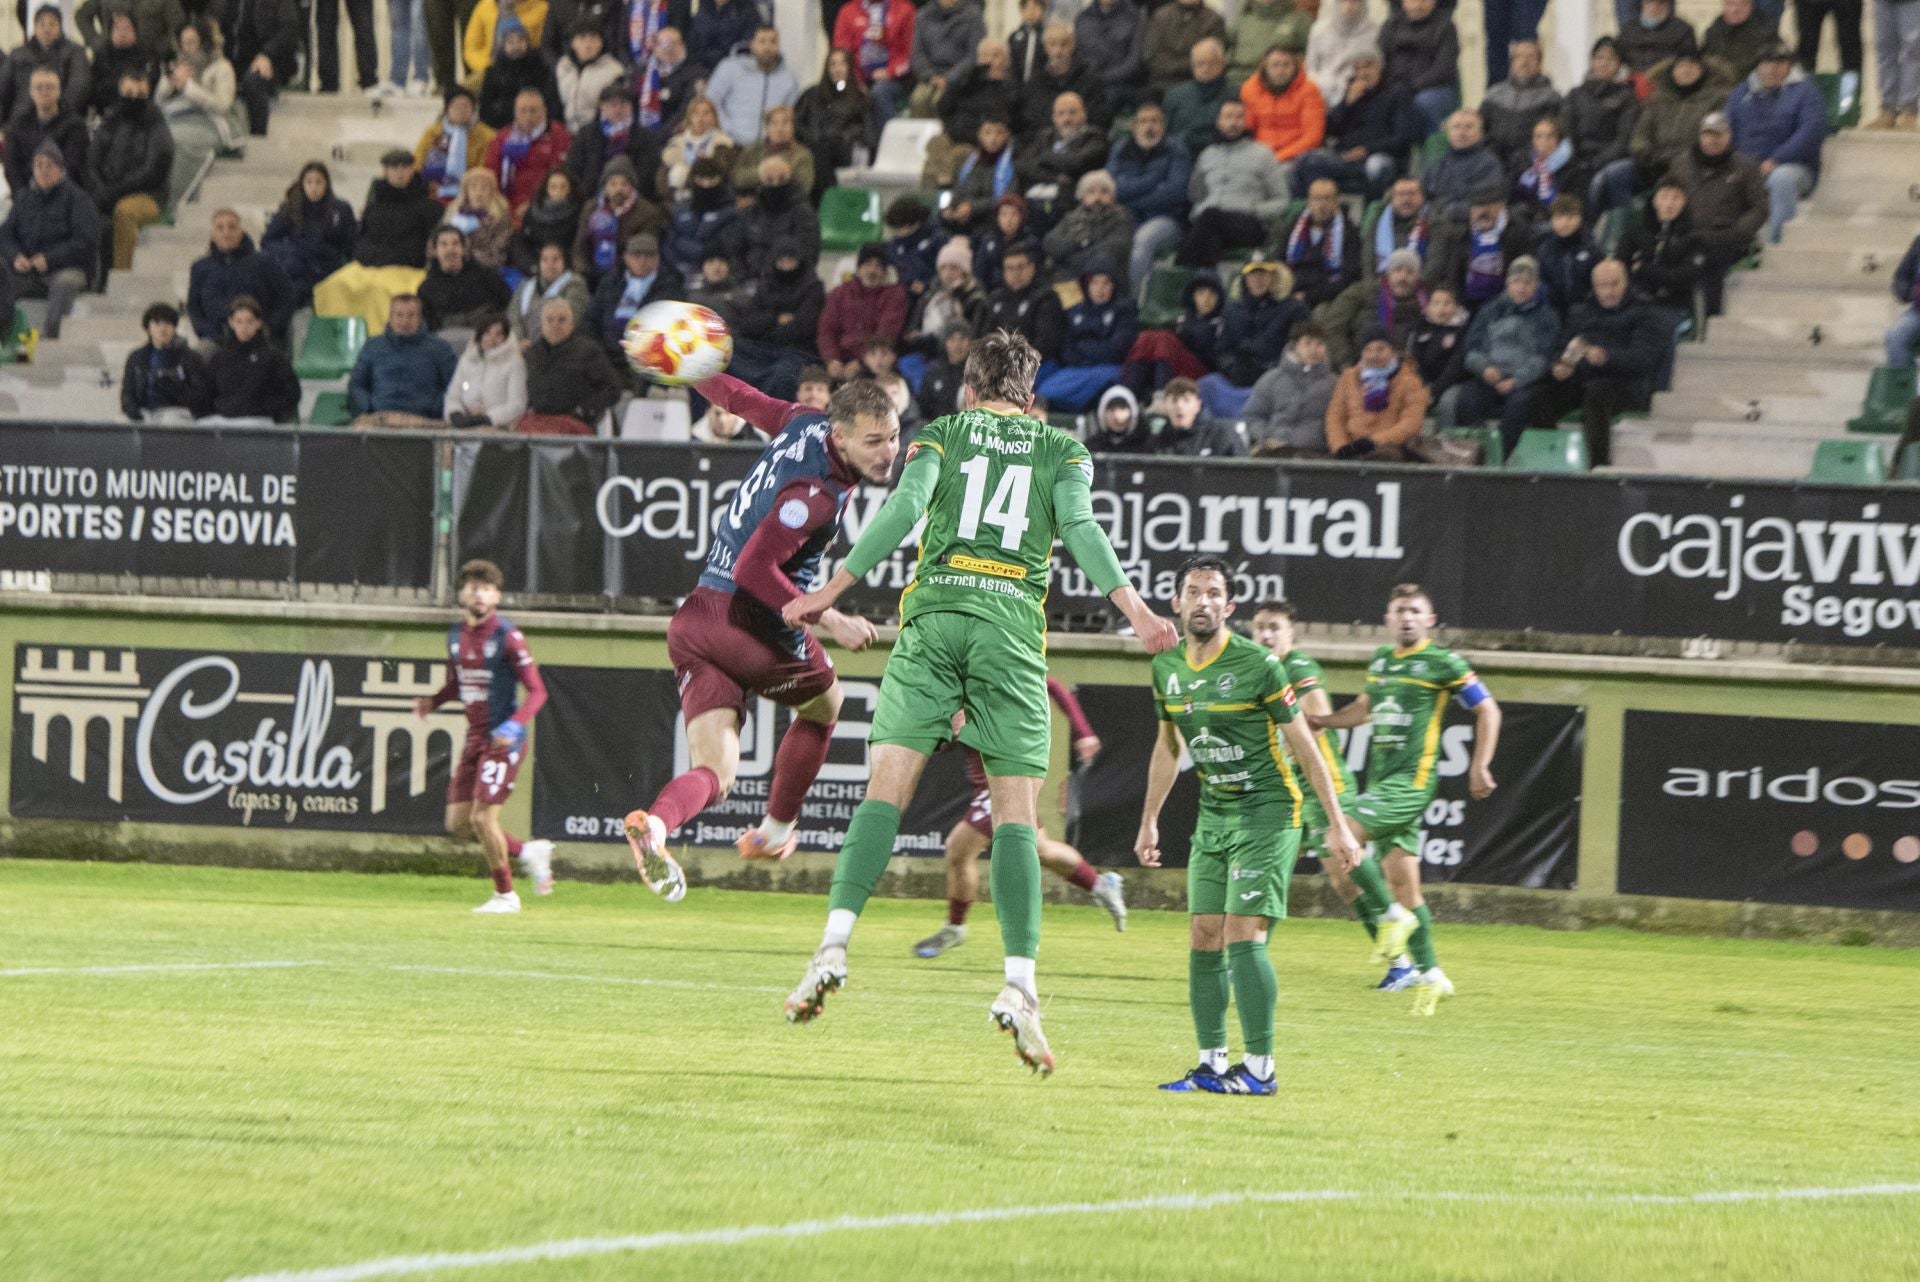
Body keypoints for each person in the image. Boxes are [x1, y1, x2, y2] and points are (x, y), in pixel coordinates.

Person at [775, 330, 1177, 1073]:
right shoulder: (1063, 451)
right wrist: (1139, 612)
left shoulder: (945, 434)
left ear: (968, 389)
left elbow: (903, 510)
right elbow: (1083, 531)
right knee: (1018, 819)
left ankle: (832, 944)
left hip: (933, 623)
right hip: (1010, 635)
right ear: (1033, 397)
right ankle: (1019, 988)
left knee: (883, 797)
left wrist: (833, 587)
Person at [620, 376, 899, 899]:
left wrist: (693, 366)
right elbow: (753, 568)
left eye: (893, 437)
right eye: (873, 442)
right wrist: (831, 618)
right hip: (744, 622)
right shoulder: (815, 496)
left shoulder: (802, 421)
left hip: (695, 618)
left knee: (717, 773)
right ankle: (775, 832)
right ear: (838, 437)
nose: (888, 453)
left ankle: (655, 828)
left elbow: (739, 400)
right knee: (825, 705)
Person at [1139, 556, 1360, 1095]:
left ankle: (1260, 1069)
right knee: (1202, 934)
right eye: (1193, 591)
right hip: (1214, 813)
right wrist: (1149, 820)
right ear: (1177, 603)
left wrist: (1338, 824)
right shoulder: (1166, 668)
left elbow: (1307, 746)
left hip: (1268, 812)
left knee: (1243, 934)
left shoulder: (1260, 664)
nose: (1204, 601)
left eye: (1215, 592)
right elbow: (1168, 748)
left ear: (1229, 607)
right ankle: (1211, 1062)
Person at [1312, 583, 1499, 1014]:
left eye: (1416, 610)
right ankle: (1432, 975)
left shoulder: (1442, 662)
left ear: (1430, 620)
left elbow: (1488, 708)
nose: (1408, 617)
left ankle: (1391, 921)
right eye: (1400, 610)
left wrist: (1479, 764)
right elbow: (1364, 709)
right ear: (1388, 619)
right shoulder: (1381, 661)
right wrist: (1321, 720)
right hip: (1382, 783)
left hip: (1410, 785)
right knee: (1405, 886)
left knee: (1340, 837)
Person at [1249, 600, 1413, 989]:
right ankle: (1401, 964)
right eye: (1260, 627)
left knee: (1282, 868)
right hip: (1296, 789)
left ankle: (1393, 916)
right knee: (1342, 882)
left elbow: (1315, 723)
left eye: (1275, 627)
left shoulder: (1299, 668)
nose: (1267, 634)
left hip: (1325, 786)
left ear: (1291, 634)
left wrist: (1283, 752)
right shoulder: (1261, 670)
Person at [912, 684, 1125, 959]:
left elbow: (1053, 685)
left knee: (959, 848)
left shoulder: (996, 664)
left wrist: (1083, 732)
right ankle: (1099, 884)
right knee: (1040, 848)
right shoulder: (954, 678)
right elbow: (947, 738)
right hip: (987, 783)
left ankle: (956, 927)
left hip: (1004, 777)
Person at [413, 559, 555, 914]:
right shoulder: (455, 635)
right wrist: (435, 700)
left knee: (482, 819)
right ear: (461, 594)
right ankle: (528, 852)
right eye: (473, 587)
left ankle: (506, 895)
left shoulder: (507, 636)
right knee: (458, 823)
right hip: (475, 739)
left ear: (497, 596)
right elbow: (458, 683)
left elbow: (537, 691)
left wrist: (513, 726)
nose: (479, 593)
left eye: (487, 588)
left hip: (503, 741)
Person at [1525, 258, 1663, 465]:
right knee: (1538, 396)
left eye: (1614, 284)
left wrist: (1607, 357)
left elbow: (1644, 359)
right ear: (1594, 286)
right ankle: (1550, 459)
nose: (1608, 292)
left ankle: (1597, 467)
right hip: (1582, 380)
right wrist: (1557, 365)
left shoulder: (1645, 312)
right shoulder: (1580, 311)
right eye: (1602, 285)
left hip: (1625, 386)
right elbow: (1560, 347)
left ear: (1626, 282)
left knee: (1596, 393)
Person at [312, 151, 440, 335]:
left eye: (404, 168)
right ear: (385, 172)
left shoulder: (428, 207)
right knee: (332, 286)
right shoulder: (374, 206)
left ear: (413, 170)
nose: (399, 173)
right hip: (370, 264)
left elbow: (424, 247)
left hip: (409, 268)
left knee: (389, 292)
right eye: (394, 168)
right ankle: (339, 343)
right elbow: (364, 239)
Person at [1447, 255, 1559, 449]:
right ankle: (1475, 453)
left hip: (1524, 383)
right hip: (1489, 377)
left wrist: (1516, 381)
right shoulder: (1489, 311)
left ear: (1535, 286)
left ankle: (1503, 458)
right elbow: (1472, 349)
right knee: (1466, 399)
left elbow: (1543, 358)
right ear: (1508, 283)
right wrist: (1484, 369)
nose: (1521, 288)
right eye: (1517, 282)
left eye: (1527, 283)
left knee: (1520, 405)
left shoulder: (1547, 317)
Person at [1726, 41, 1828, 244]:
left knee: (1781, 179)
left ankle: (1778, 242)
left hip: (1794, 166)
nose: (1772, 69)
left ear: (1789, 66)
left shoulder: (1806, 92)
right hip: (1746, 164)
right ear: (1758, 65)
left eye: (1779, 63)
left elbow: (1811, 132)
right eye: (1767, 63)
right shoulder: (1741, 92)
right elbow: (1727, 128)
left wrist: (1777, 159)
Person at [1670, 111, 1766, 313]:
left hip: (1725, 236)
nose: (1713, 140)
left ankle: (1710, 319)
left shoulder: (1746, 166)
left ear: (1728, 136)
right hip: (1689, 233)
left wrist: (1737, 232)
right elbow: (1669, 196)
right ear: (1700, 135)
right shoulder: (1681, 165)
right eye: (1708, 134)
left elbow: (1760, 207)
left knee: (1711, 264)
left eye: (1719, 134)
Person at [0, 142, 96, 339]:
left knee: (65, 282)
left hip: (67, 268)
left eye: (49, 165)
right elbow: (6, 235)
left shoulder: (78, 199)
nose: (43, 170)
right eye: (38, 165)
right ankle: (7, 339)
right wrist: (16, 256)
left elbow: (85, 242)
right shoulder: (24, 198)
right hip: (29, 270)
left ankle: (50, 341)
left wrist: (50, 259)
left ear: (61, 170)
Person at [1621, 52, 1737, 214]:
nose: (1686, 70)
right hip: (1654, 162)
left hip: (1695, 164)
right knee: (1617, 175)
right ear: (1672, 70)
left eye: (1692, 66)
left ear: (1703, 70)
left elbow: (1715, 137)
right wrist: (1651, 155)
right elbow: (1640, 137)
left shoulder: (1718, 99)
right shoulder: (1657, 98)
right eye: (1681, 66)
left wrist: (1682, 158)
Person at [1177, 100, 1290, 266]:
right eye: (1228, 117)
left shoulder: (1262, 154)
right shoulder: (1207, 154)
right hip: (1210, 224)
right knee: (1210, 237)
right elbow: (1195, 195)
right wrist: (1198, 211)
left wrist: (1254, 210)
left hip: (1247, 223)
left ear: (1246, 121)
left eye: (1239, 117)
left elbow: (1282, 201)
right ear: (1219, 121)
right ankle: (1209, 285)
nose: (1233, 123)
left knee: (1207, 220)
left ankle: (1181, 271)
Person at [1295, 50, 1411, 202]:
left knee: (1376, 166)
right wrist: (1347, 103)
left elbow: (1403, 137)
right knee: (1307, 160)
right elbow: (1331, 129)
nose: (1362, 73)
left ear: (1380, 68)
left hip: (1379, 156)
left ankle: (1369, 219)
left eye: (1368, 67)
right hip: (1344, 157)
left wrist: (1367, 150)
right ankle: (1316, 214)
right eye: (1357, 69)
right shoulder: (1352, 92)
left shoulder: (1397, 93)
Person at [87, 67, 171, 273]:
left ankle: (121, 276)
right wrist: (100, 188)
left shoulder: (157, 125)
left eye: (140, 95)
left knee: (125, 212)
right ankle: (88, 276)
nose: (134, 99)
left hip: (149, 196)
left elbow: (153, 171)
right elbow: (92, 160)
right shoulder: (111, 120)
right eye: (129, 94)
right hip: (109, 190)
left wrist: (117, 190)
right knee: (81, 210)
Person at [157, 18, 244, 203]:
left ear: (204, 42)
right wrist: (171, 83)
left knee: (177, 140)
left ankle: (176, 199)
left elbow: (222, 105)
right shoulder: (177, 66)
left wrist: (189, 88)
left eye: (192, 42)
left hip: (209, 122)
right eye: (183, 43)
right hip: (177, 118)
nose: (187, 47)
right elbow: (158, 101)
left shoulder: (222, 67)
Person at [1109, 102, 1191, 292]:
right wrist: (1152, 182)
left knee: (1142, 243)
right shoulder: (1120, 149)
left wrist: (1132, 198)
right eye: (1143, 121)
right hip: (1125, 217)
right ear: (1134, 126)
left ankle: (1135, 303)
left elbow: (1176, 191)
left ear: (1163, 125)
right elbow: (1112, 188)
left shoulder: (1176, 149)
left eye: (1154, 121)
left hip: (1165, 218)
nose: (1149, 126)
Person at [1037, 259, 1135, 410]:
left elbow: (1118, 347)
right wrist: (1083, 354)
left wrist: (1084, 348)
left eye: (1105, 283)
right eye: (1095, 283)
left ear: (1114, 285)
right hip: (1077, 368)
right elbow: (1067, 348)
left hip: (1110, 368)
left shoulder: (1124, 311)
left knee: (1109, 378)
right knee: (1045, 389)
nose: (1100, 289)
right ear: (1087, 285)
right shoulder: (1075, 311)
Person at [188, 207, 293, 346]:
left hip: (260, 341)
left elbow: (286, 298)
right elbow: (194, 308)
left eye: (232, 227)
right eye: (220, 228)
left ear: (241, 232)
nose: (226, 233)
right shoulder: (200, 268)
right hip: (216, 341)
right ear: (212, 234)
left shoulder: (264, 263)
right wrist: (211, 334)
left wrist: (267, 328)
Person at [349, 294, 460, 421]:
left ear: (420, 317)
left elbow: (454, 385)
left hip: (426, 422)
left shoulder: (440, 349)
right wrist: (369, 407)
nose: (405, 321)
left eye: (411, 315)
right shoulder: (372, 346)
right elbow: (356, 384)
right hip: (379, 420)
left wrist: (435, 409)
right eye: (399, 315)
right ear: (390, 317)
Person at [1324, 326, 1429, 460]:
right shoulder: (1348, 377)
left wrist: (1373, 442)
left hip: (1390, 448)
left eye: (1381, 349)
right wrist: (1340, 447)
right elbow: (1335, 417)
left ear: (1393, 351)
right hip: (1350, 446)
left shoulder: (1410, 381)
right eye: (1368, 349)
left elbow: (1411, 423)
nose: (1373, 355)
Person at [261, 162, 356, 308]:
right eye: (309, 182)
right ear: (302, 184)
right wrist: (292, 251)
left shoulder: (340, 210)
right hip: (298, 271)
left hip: (329, 271)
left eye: (319, 182)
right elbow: (268, 241)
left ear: (327, 184)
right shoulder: (290, 209)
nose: (314, 187)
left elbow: (350, 242)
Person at [520, 297, 618, 432]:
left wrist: (583, 409)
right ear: (541, 324)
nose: (555, 325)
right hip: (536, 420)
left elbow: (612, 390)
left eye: (562, 320)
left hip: (573, 423)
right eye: (550, 320)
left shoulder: (588, 352)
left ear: (572, 324)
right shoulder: (531, 354)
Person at [1428, 188, 1533, 312]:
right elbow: (1453, 275)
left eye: (1490, 205)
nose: (1484, 211)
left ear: (1501, 208)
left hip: (1508, 306)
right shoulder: (1461, 236)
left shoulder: (1518, 233)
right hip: (1467, 306)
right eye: (1478, 206)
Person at [1565, 38, 1639, 213]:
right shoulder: (1575, 95)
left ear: (1619, 65)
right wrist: (1575, 158)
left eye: (1610, 59)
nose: (1604, 63)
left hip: (1609, 159)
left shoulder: (1627, 98)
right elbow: (1567, 132)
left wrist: (1596, 162)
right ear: (1592, 61)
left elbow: (1623, 140)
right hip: (1577, 159)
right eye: (1599, 57)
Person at [1320, 248, 1426, 368]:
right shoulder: (1361, 292)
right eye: (1397, 270)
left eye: (1410, 272)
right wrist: (1347, 363)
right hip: (1355, 364)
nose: (1403, 277)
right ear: (1388, 273)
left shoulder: (1426, 303)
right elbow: (1334, 327)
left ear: (1417, 277)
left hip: (1404, 370)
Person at [1242, 320, 1336, 454]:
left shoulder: (1334, 384)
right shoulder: (1272, 378)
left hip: (1313, 453)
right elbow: (1253, 415)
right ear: (1295, 346)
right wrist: (1266, 438)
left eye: (1319, 344)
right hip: (1271, 448)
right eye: (1307, 343)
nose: (1313, 349)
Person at [818, 243, 908, 380]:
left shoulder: (894, 295)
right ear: (859, 268)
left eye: (878, 266)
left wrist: (862, 361)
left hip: (874, 363)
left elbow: (886, 334)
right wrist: (832, 360)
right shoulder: (840, 293)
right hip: (839, 362)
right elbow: (826, 329)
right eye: (867, 264)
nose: (872, 270)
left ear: (884, 271)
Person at [571, 156, 665, 285]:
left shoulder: (647, 212)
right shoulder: (591, 208)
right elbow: (580, 247)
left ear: (632, 187)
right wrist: (583, 271)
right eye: (613, 184)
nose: (618, 189)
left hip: (626, 275)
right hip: (591, 272)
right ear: (605, 187)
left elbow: (643, 249)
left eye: (624, 184)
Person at [205, 294, 299, 421]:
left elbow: (291, 393)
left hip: (259, 421)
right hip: (224, 421)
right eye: (239, 321)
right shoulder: (219, 358)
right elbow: (208, 392)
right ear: (231, 323)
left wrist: (266, 410)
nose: (244, 327)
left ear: (258, 323)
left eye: (249, 321)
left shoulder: (273, 357)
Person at [1239, 44, 1325, 183]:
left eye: (1286, 65)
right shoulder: (1249, 89)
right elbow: (1246, 130)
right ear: (1265, 67)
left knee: (1282, 173)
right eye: (1275, 65)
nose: (1281, 70)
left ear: (1295, 66)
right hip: (1259, 155)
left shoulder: (1309, 90)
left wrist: (1277, 158)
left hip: (1295, 157)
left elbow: (1313, 137)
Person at [586, 231, 680, 357]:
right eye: (637, 255)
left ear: (657, 258)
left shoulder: (669, 286)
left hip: (645, 353)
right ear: (626, 257)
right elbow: (592, 317)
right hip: (605, 351)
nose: (642, 261)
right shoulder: (611, 282)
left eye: (649, 256)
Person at [796, 47, 871, 197]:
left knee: (824, 150)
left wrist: (847, 136)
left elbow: (867, 131)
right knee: (818, 151)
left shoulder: (859, 98)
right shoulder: (811, 95)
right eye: (833, 64)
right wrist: (809, 139)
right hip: (812, 148)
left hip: (843, 150)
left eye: (842, 64)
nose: (837, 69)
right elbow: (797, 123)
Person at [488, 88, 574, 219]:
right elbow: (492, 173)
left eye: (533, 110)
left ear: (544, 111)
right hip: (507, 206)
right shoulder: (504, 137)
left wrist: (534, 204)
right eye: (523, 111)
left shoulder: (558, 135)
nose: (528, 116)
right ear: (515, 113)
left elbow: (562, 176)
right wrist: (502, 205)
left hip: (546, 205)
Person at [728, 154, 819, 280]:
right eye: (769, 180)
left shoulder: (803, 213)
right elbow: (736, 251)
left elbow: (808, 254)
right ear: (761, 181)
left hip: (789, 282)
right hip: (751, 281)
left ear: (790, 179)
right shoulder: (750, 213)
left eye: (781, 179)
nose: (775, 185)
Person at [214, 0, 297, 136]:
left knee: (253, 80)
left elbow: (289, 31)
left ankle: (258, 136)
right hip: (231, 61)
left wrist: (267, 54)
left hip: (270, 61)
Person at [1041, 169, 1135, 287]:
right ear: (1083, 196)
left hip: (1102, 283)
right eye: (1091, 192)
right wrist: (1078, 242)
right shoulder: (1071, 217)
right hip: (1066, 279)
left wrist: (1070, 258)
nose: (1097, 197)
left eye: (1104, 192)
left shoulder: (1122, 217)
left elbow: (1113, 248)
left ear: (1112, 196)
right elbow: (1050, 243)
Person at [4, 67, 87, 199]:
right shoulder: (17, 125)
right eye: (39, 87)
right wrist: (23, 196)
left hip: (62, 196)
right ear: (31, 92)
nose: (44, 92)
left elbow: (72, 167)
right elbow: (12, 166)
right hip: (24, 194)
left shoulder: (75, 125)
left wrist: (48, 194)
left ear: (59, 91)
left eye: (50, 87)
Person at [707, 25, 796, 147]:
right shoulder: (730, 68)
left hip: (770, 147)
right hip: (731, 143)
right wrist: (727, 128)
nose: (767, 47)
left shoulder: (789, 79)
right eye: (762, 41)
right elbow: (711, 100)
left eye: (773, 42)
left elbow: (790, 112)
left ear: (779, 46)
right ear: (752, 45)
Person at [1379, 0, 1460, 134]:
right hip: (1394, 86)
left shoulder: (1446, 28)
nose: (1418, 5)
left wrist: (1412, 86)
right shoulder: (1390, 26)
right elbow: (1380, 61)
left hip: (1434, 88)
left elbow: (1443, 69)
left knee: (1422, 104)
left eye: (1424, 0)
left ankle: (1421, 147)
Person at [1480, 39, 1561, 174]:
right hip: (1494, 161)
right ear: (1511, 63)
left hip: (1531, 163)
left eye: (1530, 57)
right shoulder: (1494, 94)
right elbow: (1482, 131)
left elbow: (1549, 137)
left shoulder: (1551, 98)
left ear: (1540, 64)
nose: (1524, 62)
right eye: (1519, 57)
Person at [121, 301, 211, 422]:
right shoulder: (136, 357)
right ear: (148, 328)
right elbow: (128, 392)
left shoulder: (190, 357)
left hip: (175, 410)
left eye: (168, 324)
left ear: (174, 328)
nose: (163, 329)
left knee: (170, 420)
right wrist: (133, 411)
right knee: (122, 424)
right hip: (144, 411)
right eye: (157, 323)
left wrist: (175, 388)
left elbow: (200, 395)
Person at [976, 242, 1065, 361]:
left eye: (1020, 267)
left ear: (1031, 267)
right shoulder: (994, 298)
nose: (1015, 273)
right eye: (1010, 268)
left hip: (1033, 365)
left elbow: (1046, 343)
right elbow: (982, 336)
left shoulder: (1046, 297)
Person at [0, 6, 90, 123]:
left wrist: (57, 114)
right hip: (20, 122)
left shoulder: (75, 53)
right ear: (35, 28)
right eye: (42, 24)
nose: (47, 29)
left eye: (52, 24)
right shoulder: (17, 55)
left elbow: (79, 87)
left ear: (60, 27)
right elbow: (3, 91)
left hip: (61, 123)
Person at [1281, 177, 1361, 307]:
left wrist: (1309, 296)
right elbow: (1279, 262)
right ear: (1309, 201)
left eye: (1327, 198)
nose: (1321, 204)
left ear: (1336, 202)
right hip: (1291, 290)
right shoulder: (1294, 227)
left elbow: (1349, 276)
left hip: (1326, 296)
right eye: (1316, 198)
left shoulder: (1349, 232)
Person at [737, 238, 825, 357]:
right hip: (760, 346)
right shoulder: (766, 285)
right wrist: (775, 318)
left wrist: (764, 329)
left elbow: (804, 326)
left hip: (797, 350)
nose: (786, 267)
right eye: (782, 262)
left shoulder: (813, 287)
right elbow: (747, 322)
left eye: (790, 261)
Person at [832, 0, 914, 125]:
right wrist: (855, 79)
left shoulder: (904, 10)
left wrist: (890, 72)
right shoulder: (847, 12)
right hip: (857, 78)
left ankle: (890, 140)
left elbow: (911, 54)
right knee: (835, 90)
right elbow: (842, 53)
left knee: (879, 92)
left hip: (895, 80)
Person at [1018, 22, 1108, 137]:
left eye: (1064, 44)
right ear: (1045, 47)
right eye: (1052, 44)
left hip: (1081, 142)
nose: (1058, 51)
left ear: (1072, 45)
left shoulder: (1089, 78)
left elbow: (1098, 117)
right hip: (1043, 143)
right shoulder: (1035, 81)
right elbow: (1030, 118)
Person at [1018, 90, 1108, 202]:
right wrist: (1055, 178)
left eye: (1072, 112)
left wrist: (1043, 157)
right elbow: (1024, 165)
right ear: (1054, 118)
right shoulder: (1045, 136)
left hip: (1075, 199)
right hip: (1040, 198)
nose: (1067, 119)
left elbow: (1076, 163)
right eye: (1061, 113)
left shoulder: (1095, 137)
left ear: (1084, 114)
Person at [420, 226, 512, 332]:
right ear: (435, 250)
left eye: (455, 244)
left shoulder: (485, 276)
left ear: (463, 249)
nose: (450, 249)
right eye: (444, 244)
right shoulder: (427, 288)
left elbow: (509, 304)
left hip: (486, 336)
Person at [444, 311, 527, 428]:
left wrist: (487, 418)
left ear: (506, 337)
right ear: (480, 334)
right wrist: (455, 414)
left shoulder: (514, 363)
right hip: (466, 428)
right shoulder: (467, 360)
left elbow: (517, 405)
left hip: (500, 430)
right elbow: (453, 395)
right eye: (487, 332)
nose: (492, 338)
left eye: (499, 334)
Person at [415, 89, 495, 205]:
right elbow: (418, 163)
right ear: (447, 109)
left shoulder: (487, 136)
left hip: (473, 193)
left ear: (473, 110)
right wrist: (427, 184)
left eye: (466, 107)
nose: (461, 111)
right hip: (433, 191)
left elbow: (485, 169)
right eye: (456, 107)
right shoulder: (433, 133)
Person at [1422, 109, 1504, 221]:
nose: (1462, 132)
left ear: (1480, 133)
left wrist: (1446, 211)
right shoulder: (1437, 164)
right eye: (1456, 127)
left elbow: (1483, 202)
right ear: (1448, 133)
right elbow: (1424, 196)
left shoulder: (1488, 163)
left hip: (1469, 225)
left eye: (1469, 127)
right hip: (1436, 221)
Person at [480, 18, 562, 130]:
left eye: (520, 40)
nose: (516, 46)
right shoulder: (493, 73)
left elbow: (552, 102)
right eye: (510, 42)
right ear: (502, 46)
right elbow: (486, 111)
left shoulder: (541, 68)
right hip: (503, 130)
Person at [1075, 0, 1147, 117]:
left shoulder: (1135, 16)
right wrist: (1089, 77)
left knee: (1108, 97)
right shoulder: (1083, 18)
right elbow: (1078, 56)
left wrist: (1103, 78)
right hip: (1087, 81)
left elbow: (1134, 62)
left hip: (1121, 83)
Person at [1164, 36, 1230, 156]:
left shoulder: (1234, 93)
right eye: (1200, 64)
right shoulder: (1175, 94)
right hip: (1181, 155)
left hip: (1220, 155)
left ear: (1221, 64)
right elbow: (1166, 134)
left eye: (1211, 63)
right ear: (1192, 66)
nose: (1205, 68)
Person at [555, 19, 623, 135]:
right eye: (582, 38)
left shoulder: (614, 71)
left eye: (593, 38)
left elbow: (612, 110)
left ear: (601, 42)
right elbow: (556, 102)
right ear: (573, 43)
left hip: (597, 134)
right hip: (564, 132)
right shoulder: (563, 66)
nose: (587, 44)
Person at [731, 104, 814, 198]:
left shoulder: (802, 154)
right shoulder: (751, 150)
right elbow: (736, 178)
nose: (780, 128)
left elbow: (803, 188)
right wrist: (761, 172)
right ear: (767, 128)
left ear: (793, 127)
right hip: (752, 204)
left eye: (785, 123)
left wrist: (781, 174)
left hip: (787, 205)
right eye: (774, 123)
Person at [511, 241, 590, 341]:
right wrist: (520, 339)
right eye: (545, 260)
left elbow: (570, 317)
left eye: (555, 259)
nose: (550, 264)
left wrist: (541, 346)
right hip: (525, 346)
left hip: (560, 344)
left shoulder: (575, 284)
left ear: (564, 262)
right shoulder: (526, 284)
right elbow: (513, 316)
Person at [1534, 193, 1599, 313]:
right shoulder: (1545, 250)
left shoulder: (1592, 246)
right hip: (1556, 311)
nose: (1564, 222)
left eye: (1569, 217)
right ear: (1552, 221)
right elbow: (1542, 282)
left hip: (1589, 310)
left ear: (1579, 218)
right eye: (1559, 217)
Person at [1305, 0, 1380, 102]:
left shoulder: (1375, 33)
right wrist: (1325, 83)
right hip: (1322, 93)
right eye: (1342, 1)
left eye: (1353, 2)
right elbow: (1311, 69)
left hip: (1360, 96)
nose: (1348, 6)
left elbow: (1376, 71)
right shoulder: (1319, 30)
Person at [1145, 0, 1226, 94]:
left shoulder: (1214, 20)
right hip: (1159, 83)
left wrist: (1176, 66)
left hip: (1197, 86)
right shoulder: (1160, 16)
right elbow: (1150, 56)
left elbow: (1210, 60)